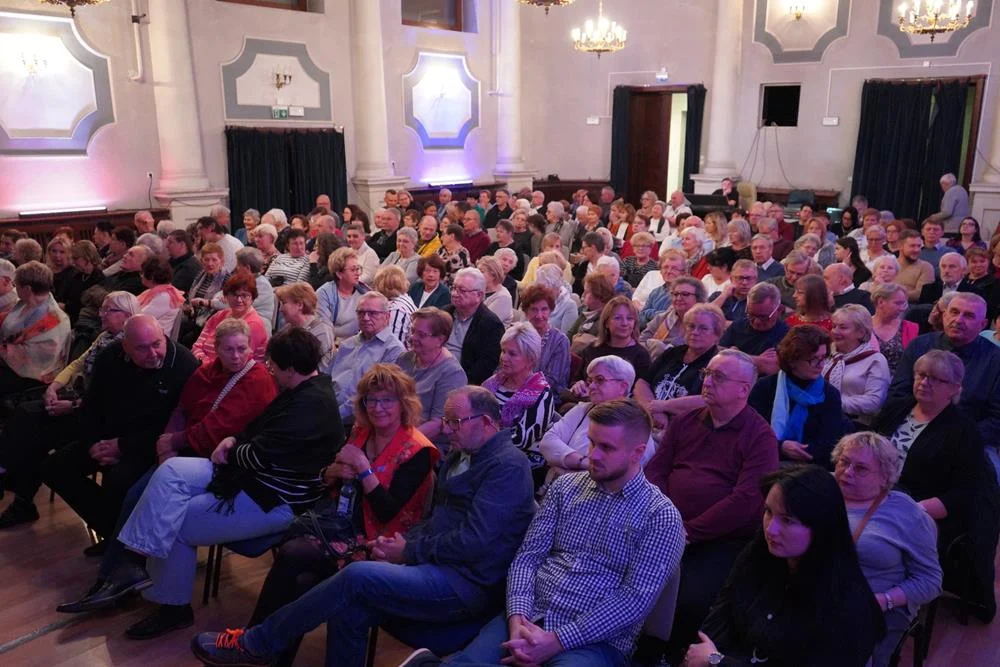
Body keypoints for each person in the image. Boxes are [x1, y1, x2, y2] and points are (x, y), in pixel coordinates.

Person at [191, 385, 536, 666]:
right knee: (350, 608)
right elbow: (436, 521)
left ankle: (257, 644)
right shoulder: (462, 456)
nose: (447, 429)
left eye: (455, 422)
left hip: (465, 585)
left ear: (487, 423)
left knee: (357, 575)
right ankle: (260, 645)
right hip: (436, 565)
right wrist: (400, 544)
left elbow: (475, 542)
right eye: (446, 420)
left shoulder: (508, 466)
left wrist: (409, 550)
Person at [405, 399, 685, 667]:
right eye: (591, 442)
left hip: (596, 641)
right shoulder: (566, 488)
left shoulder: (660, 517)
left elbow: (633, 601)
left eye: (606, 448)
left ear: (638, 452)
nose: (592, 455)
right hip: (531, 614)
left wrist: (557, 640)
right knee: (471, 660)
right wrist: (517, 617)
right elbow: (528, 557)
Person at [115, 326, 343, 639]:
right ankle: (133, 560)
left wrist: (232, 448)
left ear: (290, 369)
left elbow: (259, 456)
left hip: (273, 499)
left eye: (273, 365)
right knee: (171, 472)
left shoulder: (312, 406)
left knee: (176, 518)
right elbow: (257, 431)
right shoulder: (303, 390)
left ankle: (173, 608)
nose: (270, 370)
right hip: (252, 479)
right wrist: (234, 439)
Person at [246, 364, 438, 666]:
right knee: (301, 580)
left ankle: (251, 644)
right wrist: (333, 471)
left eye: (387, 400)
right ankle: (263, 652)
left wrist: (363, 468)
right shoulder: (361, 433)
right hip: (343, 527)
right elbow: (328, 483)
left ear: (404, 403)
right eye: (371, 400)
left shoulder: (418, 450)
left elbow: (387, 511)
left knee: (293, 553)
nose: (378, 408)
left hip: (382, 543)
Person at [643, 350, 779, 664]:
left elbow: (747, 500)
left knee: (690, 598)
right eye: (707, 373)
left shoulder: (760, 436)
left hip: (719, 539)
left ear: (743, 389)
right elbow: (657, 470)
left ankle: (676, 657)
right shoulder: (686, 421)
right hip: (666, 524)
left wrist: (689, 531)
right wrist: (665, 516)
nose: (707, 381)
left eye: (718, 377)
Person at [684, 465, 883, 667]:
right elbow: (718, 619)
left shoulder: (849, 606)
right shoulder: (760, 554)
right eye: (768, 511)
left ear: (821, 527)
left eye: (787, 520)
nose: (771, 529)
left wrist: (717, 661)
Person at [39, 315, 199, 542]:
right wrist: (94, 443)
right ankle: (113, 532)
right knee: (53, 467)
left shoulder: (184, 365)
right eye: (142, 348)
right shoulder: (110, 357)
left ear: (164, 336)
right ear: (125, 346)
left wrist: (122, 447)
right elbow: (91, 406)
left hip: (150, 447)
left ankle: (118, 539)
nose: (153, 353)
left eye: (157, 344)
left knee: (118, 481)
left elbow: (175, 427)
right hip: (108, 438)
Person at [875, 349, 1000, 622]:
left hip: (922, 508)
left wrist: (914, 510)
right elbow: (868, 447)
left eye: (935, 379)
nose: (924, 382)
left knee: (876, 544)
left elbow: (964, 493)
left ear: (954, 388)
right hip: (873, 494)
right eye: (920, 375)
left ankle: (885, 604)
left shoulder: (963, 430)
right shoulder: (897, 408)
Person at [0, 292, 140, 528]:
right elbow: (77, 364)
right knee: (28, 418)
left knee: (34, 428)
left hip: (96, 416)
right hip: (79, 401)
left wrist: (73, 405)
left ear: (127, 315)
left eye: (108, 310)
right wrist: (55, 386)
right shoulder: (105, 337)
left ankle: (16, 490)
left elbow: (111, 397)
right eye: (102, 309)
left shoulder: (128, 348)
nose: (101, 314)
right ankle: (16, 488)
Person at [831, 432, 942, 667]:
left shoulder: (907, 513)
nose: (847, 472)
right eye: (844, 461)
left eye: (861, 469)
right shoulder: (820, 490)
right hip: (816, 595)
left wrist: (883, 601)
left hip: (875, 606)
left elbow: (930, 580)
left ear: (885, 477)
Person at [888, 292, 1000, 478]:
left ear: (983, 325)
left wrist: (955, 439)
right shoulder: (919, 345)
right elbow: (898, 394)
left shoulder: (995, 361)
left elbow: (996, 420)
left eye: (969, 316)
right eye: (954, 312)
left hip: (969, 440)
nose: (958, 320)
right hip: (912, 425)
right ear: (944, 314)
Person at [748, 324, 849, 469]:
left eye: (823, 357)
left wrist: (802, 452)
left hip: (812, 466)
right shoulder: (765, 388)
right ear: (793, 360)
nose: (821, 365)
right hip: (765, 458)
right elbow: (751, 432)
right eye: (814, 359)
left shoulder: (829, 394)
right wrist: (781, 447)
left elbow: (829, 442)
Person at [483, 323, 556, 487]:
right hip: (485, 452)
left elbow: (522, 441)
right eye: (503, 351)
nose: (504, 358)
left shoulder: (541, 394)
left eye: (512, 354)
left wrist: (480, 441)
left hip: (519, 464)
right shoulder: (494, 382)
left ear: (530, 359)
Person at [635, 304, 724, 427]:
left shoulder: (719, 364)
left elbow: (712, 400)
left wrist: (664, 406)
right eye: (691, 326)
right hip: (648, 418)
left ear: (717, 334)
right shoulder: (672, 353)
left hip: (686, 427)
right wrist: (653, 411)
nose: (695, 332)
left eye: (703, 328)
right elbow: (642, 383)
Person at [327, 291, 406, 423]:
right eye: (361, 313)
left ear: (387, 316)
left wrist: (333, 417)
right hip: (327, 410)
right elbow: (326, 380)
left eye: (372, 313)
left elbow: (374, 397)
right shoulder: (347, 344)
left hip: (357, 422)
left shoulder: (393, 350)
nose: (365, 318)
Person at [396, 308, 468, 447]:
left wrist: (399, 442)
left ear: (440, 339)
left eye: (421, 335)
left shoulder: (451, 374)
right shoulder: (405, 358)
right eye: (412, 331)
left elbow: (438, 424)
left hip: (425, 443)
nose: (412, 338)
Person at [0, 261, 72, 395]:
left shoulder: (54, 318)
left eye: (16, 285)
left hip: (33, 376)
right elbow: (7, 320)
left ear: (27, 289)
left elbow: (35, 357)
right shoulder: (25, 302)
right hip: (8, 363)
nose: (14, 288)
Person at [822, 305, 890, 425]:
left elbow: (874, 401)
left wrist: (832, 403)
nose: (835, 331)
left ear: (861, 332)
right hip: (820, 417)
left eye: (843, 327)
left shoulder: (875, 360)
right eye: (834, 326)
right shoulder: (824, 353)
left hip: (856, 424)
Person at [573, 296, 652, 394]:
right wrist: (578, 385)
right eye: (618, 318)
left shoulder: (641, 355)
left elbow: (641, 393)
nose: (625, 323)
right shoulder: (592, 349)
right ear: (606, 323)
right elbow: (577, 380)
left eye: (629, 318)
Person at [192, 271, 269, 365]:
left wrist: (206, 366)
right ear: (226, 296)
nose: (239, 300)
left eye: (244, 295)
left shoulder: (254, 324)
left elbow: (238, 362)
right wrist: (203, 362)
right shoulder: (219, 316)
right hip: (205, 367)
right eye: (234, 294)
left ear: (252, 298)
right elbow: (197, 346)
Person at [443, 267, 504, 385]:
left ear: (479, 295)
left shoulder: (491, 326)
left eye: (462, 290)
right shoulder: (444, 314)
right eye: (454, 288)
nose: (454, 294)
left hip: (465, 384)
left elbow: (483, 371)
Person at [719, 282, 788, 376]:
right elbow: (718, 356)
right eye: (751, 315)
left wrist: (735, 355)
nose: (756, 322)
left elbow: (770, 367)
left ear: (779, 310)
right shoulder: (737, 326)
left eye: (763, 317)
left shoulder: (786, 335)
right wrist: (758, 360)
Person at [521, 285, 571, 400]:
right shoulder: (519, 335)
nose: (539, 315)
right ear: (526, 311)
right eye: (534, 309)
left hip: (544, 397)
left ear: (550, 310)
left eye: (544, 309)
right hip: (514, 389)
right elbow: (503, 366)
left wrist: (519, 388)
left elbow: (552, 380)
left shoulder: (560, 341)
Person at [275, 282, 335, 374]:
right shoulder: (288, 328)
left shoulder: (322, 332)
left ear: (300, 305)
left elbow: (314, 370)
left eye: (284, 303)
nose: (280, 309)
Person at [316, 247, 369, 342]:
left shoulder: (365, 292)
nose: (358, 273)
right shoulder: (324, 294)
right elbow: (324, 330)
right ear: (339, 274)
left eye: (358, 269)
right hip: (333, 344)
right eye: (353, 270)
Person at [869, 283, 919, 375]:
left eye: (904, 303)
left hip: (900, 380)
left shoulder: (910, 328)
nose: (902, 309)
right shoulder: (863, 327)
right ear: (880, 302)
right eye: (898, 303)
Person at [184, 242, 229, 337]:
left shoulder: (228, 281)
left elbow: (226, 305)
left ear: (222, 262)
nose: (210, 264)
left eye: (214, 260)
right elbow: (190, 299)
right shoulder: (200, 276)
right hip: (194, 319)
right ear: (202, 261)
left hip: (212, 323)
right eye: (206, 260)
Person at [137, 256, 184, 338]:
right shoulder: (155, 291)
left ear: (151, 277)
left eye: (142, 273)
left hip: (153, 339)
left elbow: (139, 318)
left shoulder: (164, 296)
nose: (141, 276)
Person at [896, 230, 936, 302]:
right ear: (900, 246)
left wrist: (891, 296)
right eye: (912, 246)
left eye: (919, 246)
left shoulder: (926, 267)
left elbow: (920, 294)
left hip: (911, 307)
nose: (917, 250)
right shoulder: (888, 265)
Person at [476, 256, 513, 326]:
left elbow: (485, 323)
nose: (477, 274)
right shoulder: (479, 289)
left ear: (493, 275)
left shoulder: (503, 297)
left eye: (481, 271)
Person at [165, 230, 202, 294]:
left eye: (170, 242)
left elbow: (172, 290)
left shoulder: (189, 267)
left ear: (182, 244)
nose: (166, 245)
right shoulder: (171, 262)